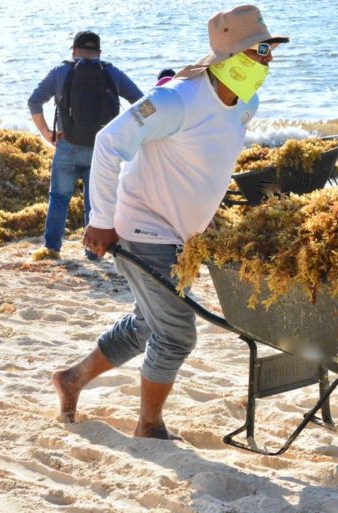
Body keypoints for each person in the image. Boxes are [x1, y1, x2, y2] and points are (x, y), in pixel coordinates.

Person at [51, 5, 288, 440]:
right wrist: (102, 220)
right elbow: (109, 142)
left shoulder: (245, 102)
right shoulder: (175, 99)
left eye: (270, 49)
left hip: (184, 234)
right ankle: (149, 425)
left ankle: (72, 379)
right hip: (143, 227)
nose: (269, 59)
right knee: (176, 334)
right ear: (230, 56)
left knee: (149, 324)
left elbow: (206, 158)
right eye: (260, 50)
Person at [28, 31, 144, 261]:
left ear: (73, 51)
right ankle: (93, 253)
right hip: (101, 151)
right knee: (95, 203)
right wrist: (126, 137)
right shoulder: (112, 72)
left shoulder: (61, 72)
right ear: (99, 53)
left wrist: (46, 133)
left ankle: (52, 249)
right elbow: (141, 102)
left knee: (59, 198)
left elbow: (34, 101)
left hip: (66, 146)